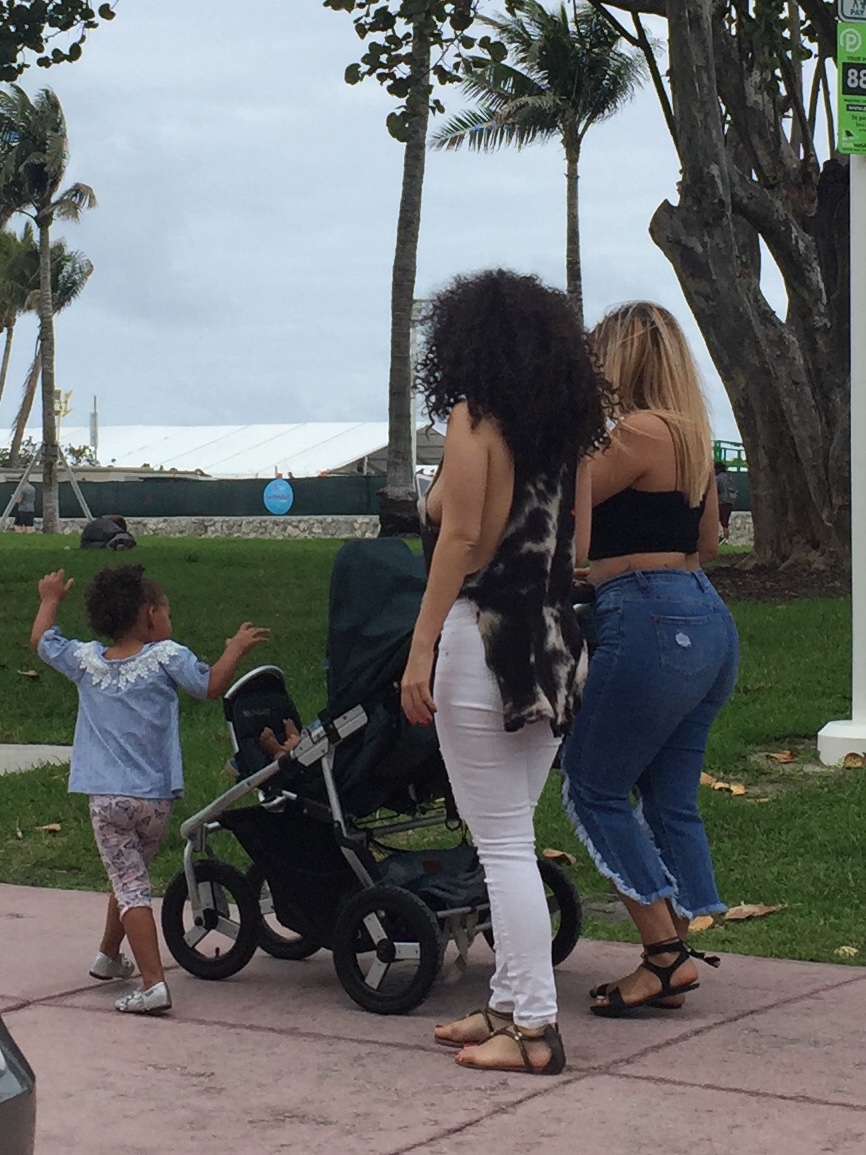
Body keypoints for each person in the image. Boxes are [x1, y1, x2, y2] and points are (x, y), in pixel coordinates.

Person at [401, 269, 610, 1075]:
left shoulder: (474, 419)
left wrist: (419, 647)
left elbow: (460, 540)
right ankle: (509, 1003)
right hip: (555, 645)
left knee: (502, 846)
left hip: (484, 639)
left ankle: (535, 1030)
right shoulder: (568, 433)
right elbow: (579, 547)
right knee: (512, 834)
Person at [561, 301, 739, 1017]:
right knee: (668, 795)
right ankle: (673, 950)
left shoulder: (633, 432)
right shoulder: (693, 439)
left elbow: (569, 519)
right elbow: (709, 544)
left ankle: (665, 955)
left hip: (649, 619)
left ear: (620, 360)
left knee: (592, 784)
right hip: (706, 617)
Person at [31, 564, 268, 1014]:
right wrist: (234, 649)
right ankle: (110, 957)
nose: (169, 618)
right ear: (149, 614)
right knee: (131, 875)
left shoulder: (86, 661)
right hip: (155, 799)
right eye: (167, 610)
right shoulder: (166, 658)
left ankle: (153, 984)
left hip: (107, 798)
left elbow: (42, 640)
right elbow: (211, 686)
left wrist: (49, 599)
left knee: (129, 884)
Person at [715, 461, 738, 542]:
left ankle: (718, 538)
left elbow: (715, 491)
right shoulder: (729, 478)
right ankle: (726, 540)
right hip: (730, 502)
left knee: (715, 521)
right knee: (725, 523)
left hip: (721, 502)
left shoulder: (718, 478)